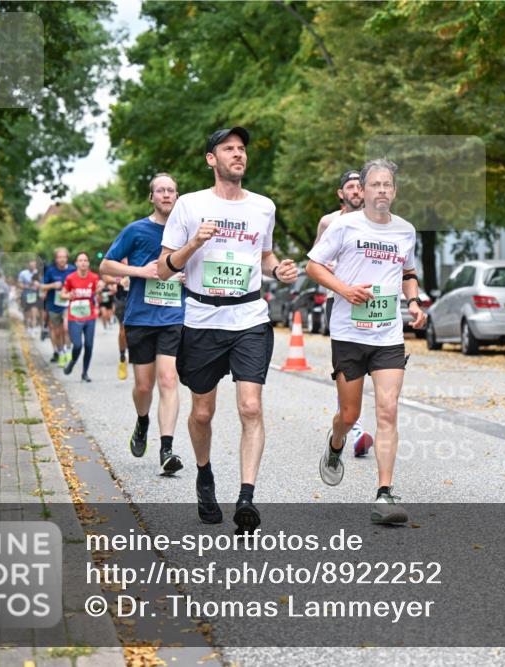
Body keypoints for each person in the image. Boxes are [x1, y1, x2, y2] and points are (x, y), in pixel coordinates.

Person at [158, 127, 298, 533]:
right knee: (202, 412)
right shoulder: (189, 205)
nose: (238, 155)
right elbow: (166, 267)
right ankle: (204, 476)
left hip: (250, 318)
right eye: (228, 149)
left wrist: (279, 270)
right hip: (202, 320)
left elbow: (266, 255)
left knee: (251, 407)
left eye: (241, 149)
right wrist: (194, 244)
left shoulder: (263, 207)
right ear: (211, 159)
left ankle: (246, 497)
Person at [306, 158, 427, 524]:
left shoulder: (405, 230)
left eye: (387, 185)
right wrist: (344, 289)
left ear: (394, 190)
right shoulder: (344, 226)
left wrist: (414, 301)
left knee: (388, 410)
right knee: (350, 414)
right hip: (348, 332)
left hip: (388, 333)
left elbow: (407, 272)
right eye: (375, 184)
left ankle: (384, 494)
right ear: (365, 190)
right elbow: (314, 265)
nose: (381, 191)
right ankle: (336, 442)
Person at [100, 172, 185, 475]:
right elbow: (105, 265)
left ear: (177, 197)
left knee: (168, 380)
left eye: (170, 190)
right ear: (151, 197)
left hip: (173, 317)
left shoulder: (187, 232)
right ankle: (142, 420)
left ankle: (167, 449)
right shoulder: (136, 230)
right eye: (160, 190)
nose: (165, 195)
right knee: (143, 385)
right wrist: (141, 271)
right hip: (140, 318)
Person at [315, 170, 375, 457]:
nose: (355, 191)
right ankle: (356, 427)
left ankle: (353, 422)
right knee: (348, 368)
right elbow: (317, 261)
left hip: (371, 301)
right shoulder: (329, 221)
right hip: (338, 301)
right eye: (350, 187)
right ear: (341, 193)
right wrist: (339, 280)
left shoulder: (379, 223)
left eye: (359, 186)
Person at [60, 252, 103, 382]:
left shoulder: (94, 277)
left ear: (88, 263)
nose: (83, 263)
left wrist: (100, 289)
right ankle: (73, 362)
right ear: (76, 263)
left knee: (89, 345)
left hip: (89, 316)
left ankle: (85, 373)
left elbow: (98, 293)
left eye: (85, 260)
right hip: (74, 316)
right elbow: (63, 294)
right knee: (77, 345)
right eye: (80, 260)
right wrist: (69, 296)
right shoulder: (70, 278)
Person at [42, 248, 75, 364]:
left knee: (66, 328)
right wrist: (53, 285)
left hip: (67, 304)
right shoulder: (50, 271)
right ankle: (60, 352)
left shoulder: (72, 269)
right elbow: (42, 286)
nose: (62, 259)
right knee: (57, 332)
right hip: (53, 305)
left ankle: (68, 350)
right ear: (56, 259)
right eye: (59, 257)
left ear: (67, 258)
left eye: (64, 257)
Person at [113, 272, 130, 379]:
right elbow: (105, 274)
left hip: (139, 300)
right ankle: (122, 357)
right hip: (122, 301)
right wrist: (118, 281)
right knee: (123, 331)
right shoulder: (118, 260)